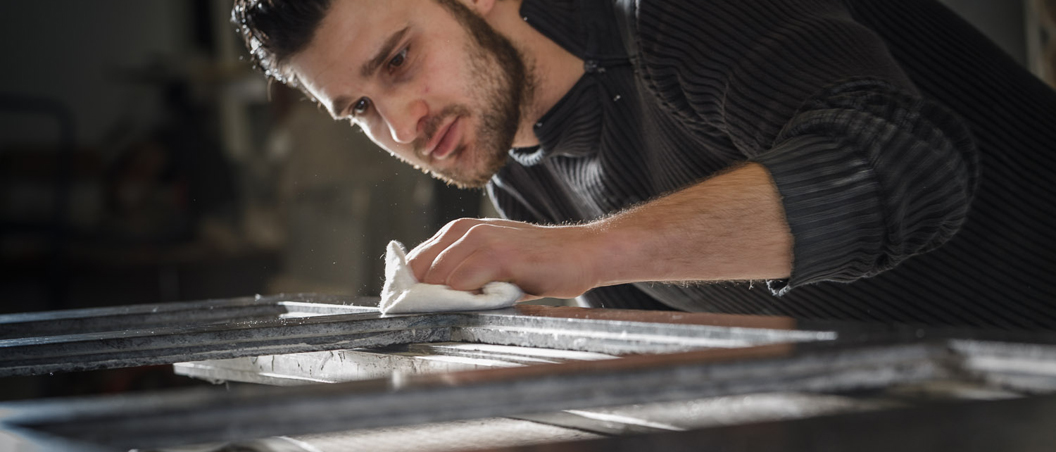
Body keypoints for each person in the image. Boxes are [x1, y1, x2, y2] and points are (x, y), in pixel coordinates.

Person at [232, 0, 1056, 329]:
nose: (403, 126)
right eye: (361, 110)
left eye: (400, 61)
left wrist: (581, 254)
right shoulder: (519, 170)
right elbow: (729, 343)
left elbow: (910, 167)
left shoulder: (666, 9)